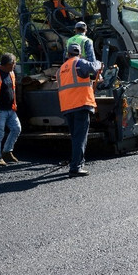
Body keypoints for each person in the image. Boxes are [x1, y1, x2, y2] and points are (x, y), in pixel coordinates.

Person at [57, 43, 102, 177]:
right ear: (79, 53)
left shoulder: (61, 69)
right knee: (80, 137)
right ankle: (76, 167)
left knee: (75, 137)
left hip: (67, 107)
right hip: (81, 104)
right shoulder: (78, 63)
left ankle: (76, 163)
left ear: (67, 54)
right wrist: (99, 62)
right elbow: (93, 67)